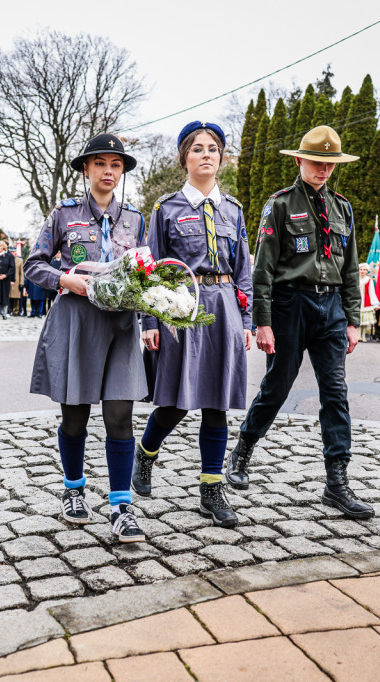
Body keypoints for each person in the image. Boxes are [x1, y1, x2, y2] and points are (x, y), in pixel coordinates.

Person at [227, 125, 373, 520]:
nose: (323, 169)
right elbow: (264, 270)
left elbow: (350, 269)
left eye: (330, 163)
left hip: (331, 312)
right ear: (299, 161)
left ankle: (336, 483)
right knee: (276, 388)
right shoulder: (279, 205)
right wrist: (263, 321)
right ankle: (242, 449)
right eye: (316, 161)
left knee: (336, 394)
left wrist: (353, 320)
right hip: (291, 307)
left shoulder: (342, 208)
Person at [25, 133, 149, 542]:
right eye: (101, 164)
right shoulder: (63, 215)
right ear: (86, 169)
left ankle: (120, 505)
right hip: (77, 321)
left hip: (121, 326)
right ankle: (74, 489)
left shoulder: (134, 218)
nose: (109, 171)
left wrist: (150, 312)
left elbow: (145, 271)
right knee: (74, 416)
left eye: (116, 165)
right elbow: (33, 265)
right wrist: (65, 279)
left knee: (119, 414)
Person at [133, 121, 252, 527]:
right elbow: (151, 270)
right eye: (197, 148)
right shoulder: (166, 209)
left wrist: (247, 320)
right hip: (181, 307)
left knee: (217, 403)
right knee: (177, 402)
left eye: (213, 149)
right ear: (184, 158)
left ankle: (211, 488)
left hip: (225, 310)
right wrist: (150, 318)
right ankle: (145, 454)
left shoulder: (233, 210)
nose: (206, 155)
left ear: (221, 158)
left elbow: (244, 271)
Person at [357, 262, 379, 342]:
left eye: (364, 270)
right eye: (361, 269)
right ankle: (357, 335)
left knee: (365, 321)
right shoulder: (355, 279)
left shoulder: (369, 280)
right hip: (357, 300)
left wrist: (375, 304)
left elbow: (371, 292)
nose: (362, 271)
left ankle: (363, 336)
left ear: (367, 271)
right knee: (358, 320)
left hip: (366, 302)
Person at [9, 247, 24, 316]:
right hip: (8, 280)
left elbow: (21, 273)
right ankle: (9, 310)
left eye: (13, 252)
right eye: (10, 252)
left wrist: (21, 283)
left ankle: (16, 311)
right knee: (9, 297)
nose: (12, 253)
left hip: (16, 281)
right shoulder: (7, 259)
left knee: (16, 298)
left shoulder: (19, 260)